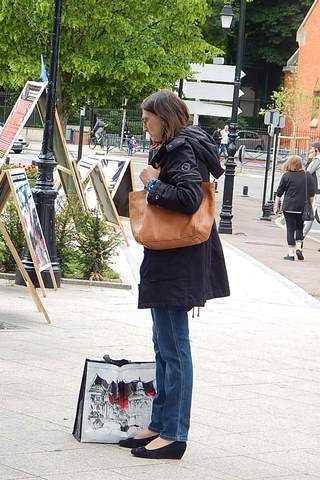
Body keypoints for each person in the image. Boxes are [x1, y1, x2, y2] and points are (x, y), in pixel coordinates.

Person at [118, 90, 230, 460]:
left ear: (164, 118)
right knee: (164, 345)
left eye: (147, 119)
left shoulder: (181, 149)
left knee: (174, 348)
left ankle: (174, 434)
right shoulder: (180, 146)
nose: (144, 126)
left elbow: (188, 199)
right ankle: (160, 424)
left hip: (177, 260)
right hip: (174, 257)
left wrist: (152, 182)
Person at [274, 155, 315, 261]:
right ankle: (299, 248)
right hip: (302, 207)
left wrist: (276, 206)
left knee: (290, 229)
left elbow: (279, 193)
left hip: (289, 207)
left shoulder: (286, 176)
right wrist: (309, 206)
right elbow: (311, 194)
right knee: (300, 228)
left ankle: (291, 254)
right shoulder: (307, 176)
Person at [302, 143, 320, 241]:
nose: (310, 151)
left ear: (316, 150)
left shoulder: (317, 160)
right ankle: (301, 237)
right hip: (316, 191)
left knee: (313, 215)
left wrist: (310, 159)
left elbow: (307, 172)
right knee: (311, 215)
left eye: (312, 149)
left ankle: (301, 237)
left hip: (318, 192)